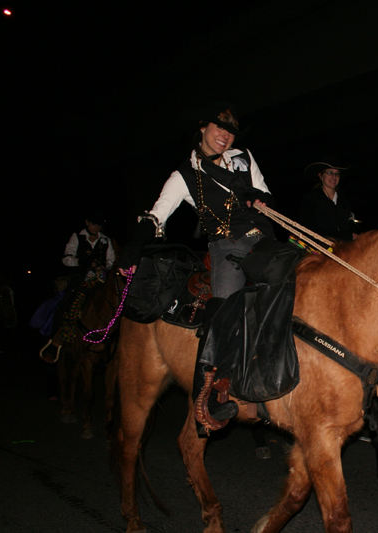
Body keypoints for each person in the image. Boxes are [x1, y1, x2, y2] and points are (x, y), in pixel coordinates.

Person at [116, 100, 277, 428]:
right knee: (225, 309)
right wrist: (132, 247)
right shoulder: (185, 175)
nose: (226, 136)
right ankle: (213, 392)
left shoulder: (243, 158)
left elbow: (266, 194)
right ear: (202, 127)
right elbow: (157, 214)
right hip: (226, 247)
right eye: (220, 127)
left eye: (231, 130)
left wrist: (258, 200)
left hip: (266, 241)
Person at [39, 215, 115, 363]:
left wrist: (103, 265)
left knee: (115, 303)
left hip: (100, 280)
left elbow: (111, 261)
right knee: (67, 304)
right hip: (80, 279)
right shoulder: (77, 237)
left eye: (99, 226)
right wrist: (83, 262)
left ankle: (113, 343)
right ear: (87, 222)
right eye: (94, 224)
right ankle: (55, 342)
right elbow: (66, 259)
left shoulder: (106, 240)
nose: (96, 228)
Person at [298, 158, 360, 241]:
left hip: (344, 247)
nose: (334, 177)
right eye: (330, 172)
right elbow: (309, 227)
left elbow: (351, 226)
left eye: (337, 174)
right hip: (318, 246)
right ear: (321, 176)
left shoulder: (344, 201)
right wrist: (344, 236)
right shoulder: (310, 199)